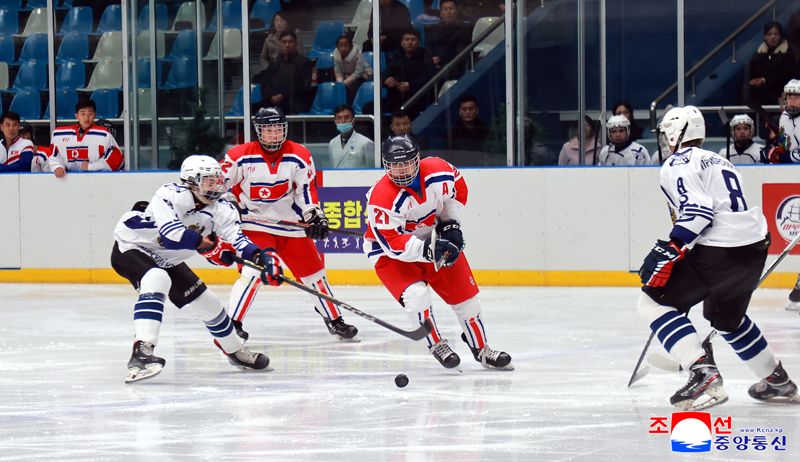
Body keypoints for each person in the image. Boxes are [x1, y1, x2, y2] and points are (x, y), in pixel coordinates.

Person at [637, 105, 797, 410]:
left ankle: (702, 371)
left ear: (675, 132)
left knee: (653, 302)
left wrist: (673, 247)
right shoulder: (718, 160)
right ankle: (777, 380)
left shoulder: (677, 162)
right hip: (753, 247)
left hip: (720, 247)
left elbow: (699, 212)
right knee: (727, 319)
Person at [112, 155, 280, 383]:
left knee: (209, 303)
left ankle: (234, 349)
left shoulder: (222, 208)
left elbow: (237, 239)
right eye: (209, 181)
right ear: (191, 181)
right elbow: (172, 236)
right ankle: (142, 352)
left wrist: (262, 257)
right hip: (132, 245)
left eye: (217, 180)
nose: (216, 185)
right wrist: (209, 247)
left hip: (166, 257)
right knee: (157, 278)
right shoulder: (169, 194)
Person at [364, 134, 512, 370]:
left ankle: (481, 348)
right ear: (385, 164)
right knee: (416, 296)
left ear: (417, 159)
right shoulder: (381, 197)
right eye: (395, 164)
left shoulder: (439, 170)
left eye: (406, 163)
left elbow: (457, 192)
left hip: (433, 237)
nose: (401, 170)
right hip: (390, 254)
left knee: (467, 301)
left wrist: (450, 223)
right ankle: (436, 343)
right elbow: (392, 243)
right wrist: (428, 250)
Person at [220, 107, 359, 342]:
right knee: (253, 272)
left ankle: (335, 320)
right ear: (258, 131)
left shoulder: (299, 154)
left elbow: (305, 192)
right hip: (254, 225)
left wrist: (314, 217)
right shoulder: (238, 155)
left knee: (315, 276)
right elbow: (219, 186)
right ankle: (234, 324)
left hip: (291, 225)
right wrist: (230, 204)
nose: (274, 134)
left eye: (278, 129)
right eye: (268, 129)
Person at [48, 98, 124, 172]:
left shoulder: (104, 135)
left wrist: (91, 167)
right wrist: (57, 166)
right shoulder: (60, 135)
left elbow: (117, 160)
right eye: (83, 114)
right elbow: (53, 154)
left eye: (90, 114)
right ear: (77, 116)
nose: (86, 118)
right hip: (67, 181)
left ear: (95, 115)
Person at [254, 32, 314, 115]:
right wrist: (271, 96)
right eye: (284, 42)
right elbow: (265, 83)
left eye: (290, 42)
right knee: (252, 110)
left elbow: (304, 86)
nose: (287, 45)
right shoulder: (274, 63)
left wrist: (283, 95)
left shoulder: (304, 62)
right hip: (273, 102)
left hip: (295, 102)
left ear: (295, 44)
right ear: (279, 44)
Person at [744, 21, 793, 116]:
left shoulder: (789, 54)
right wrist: (752, 82)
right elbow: (751, 75)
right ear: (764, 37)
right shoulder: (757, 55)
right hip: (761, 100)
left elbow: (787, 75)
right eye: (769, 34)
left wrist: (764, 80)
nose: (772, 37)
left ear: (780, 36)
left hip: (782, 98)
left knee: (782, 123)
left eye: (776, 34)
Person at [383, 29, 436, 116]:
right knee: (368, 108)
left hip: (416, 99)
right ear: (402, 43)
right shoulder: (397, 56)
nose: (410, 42)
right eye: (407, 39)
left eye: (413, 39)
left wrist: (410, 85)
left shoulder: (426, 56)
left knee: (403, 111)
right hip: (396, 98)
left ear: (419, 42)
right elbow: (386, 74)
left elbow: (430, 78)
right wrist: (387, 79)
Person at [426, 0, 472, 72]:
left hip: (456, 64)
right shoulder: (434, 29)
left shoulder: (465, 28)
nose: (448, 12)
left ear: (457, 11)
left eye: (451, 9)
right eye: (445, 9)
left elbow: (461, 49)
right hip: (437, 65)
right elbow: (429, 46)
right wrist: (432, 59)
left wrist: (440, 58)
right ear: (441, 13)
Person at [328, 104, 374, 168]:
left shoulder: (366, 143)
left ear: (353, 120)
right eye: (339, 118)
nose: (343, 121)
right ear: (335, 121)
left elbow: (371, 169)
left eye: (347, 117)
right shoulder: (332, 143)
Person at [765, 79, 800, 163]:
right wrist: (773, 143)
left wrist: (781, 157)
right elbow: (783, 146)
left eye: (797, 97)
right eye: (789, 97)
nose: (792, 101)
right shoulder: (783, 117)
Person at [333, 35, 373, 102]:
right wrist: (341, 83)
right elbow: (338, 72)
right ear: (337, 47)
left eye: (346, 46)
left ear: (351, 46)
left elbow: (358, 72)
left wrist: (345, 82)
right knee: (339, 88)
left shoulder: (358, 54)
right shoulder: (336, 56)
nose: (343, 48)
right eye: (341, 46)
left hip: (364, 75)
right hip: (348, 76)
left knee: (354, 88)